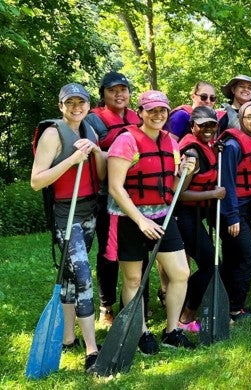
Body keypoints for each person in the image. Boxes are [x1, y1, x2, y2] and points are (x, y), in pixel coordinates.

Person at [107, 90, 197, 353]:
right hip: (129, 218)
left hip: (164, 215)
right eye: (152, 110)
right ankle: (140, 332)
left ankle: (172, 331)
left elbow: (176, 186)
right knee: (133, 279)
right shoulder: (126, 141)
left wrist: (184, 173)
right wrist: (140, 221)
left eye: (162, 111)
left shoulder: (172, 142)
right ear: (141, 112)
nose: (158, 115)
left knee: (180, 273)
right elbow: (115, 187)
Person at [31, 83, 106, 371]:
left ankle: (66, 339)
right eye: (70, 102)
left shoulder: (90, 130)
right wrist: (73, 159)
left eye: (81, 102)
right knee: (84, 276)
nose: (77, 107)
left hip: (89, 210)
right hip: (66, 213)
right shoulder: (53, 133)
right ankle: (91, 350)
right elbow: (37, 181)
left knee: (73, 277)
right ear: (61, 106)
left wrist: (96, 151)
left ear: (88, 105)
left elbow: (99, 173)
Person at [83, 71, 142, 326]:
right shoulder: (93, 121)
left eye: (123, 89)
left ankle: (136, 301)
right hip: (106, 194)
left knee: (134, 251)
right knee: (109, 253)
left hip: (135, 193)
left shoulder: (137, 118)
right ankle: (106, 305)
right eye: (112, 90)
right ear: (103, 94)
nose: (119, 94)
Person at [175, 106, 227, 331]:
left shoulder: (208, 146)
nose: (208, 129)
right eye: (202, 125)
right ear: (192, 126)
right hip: (184, 215)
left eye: (212, 125)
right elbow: (179, 194)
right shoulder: (192, 154)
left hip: (197, 215)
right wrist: (212, 194)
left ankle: (181, 306)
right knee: (209, 266)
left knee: (210, 264)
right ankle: (186, 317)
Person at [217, 101, 251, 320]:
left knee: (235, 258)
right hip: (231, 211)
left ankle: (228, 304)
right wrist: (232, 216)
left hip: (247, 207)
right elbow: (226, 182)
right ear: (241, 121)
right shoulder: (233, 146)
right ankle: (235, 307)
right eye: (249, 117)